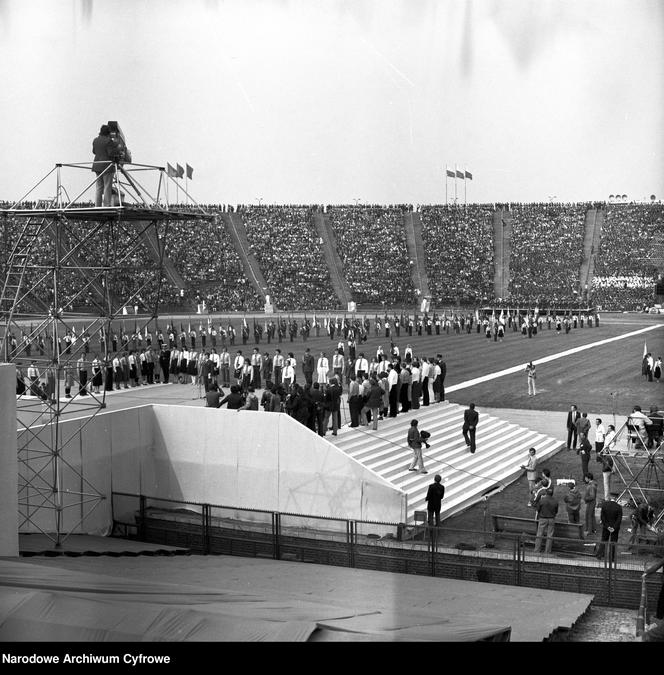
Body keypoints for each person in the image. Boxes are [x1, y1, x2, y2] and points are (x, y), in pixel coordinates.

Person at [92, 124, 115, 207]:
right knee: (107, 186)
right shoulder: (109, 141)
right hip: (107, 166)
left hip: (97, 166)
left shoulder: (95, 140)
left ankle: (97, 205)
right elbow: (111, 153)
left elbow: (94, 151)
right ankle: (106, 205)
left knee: (99, 187)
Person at [596, 491, 623, 562]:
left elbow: (602, 517)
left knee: (604, 540)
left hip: (606, 526)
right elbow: (619, 519)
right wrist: (613, 527)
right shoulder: (619, 507)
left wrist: (607, 526)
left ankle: (600, 555)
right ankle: (611, 558)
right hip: (615, 528)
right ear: (616, 497)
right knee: (613, 542)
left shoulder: (604, 505)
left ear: (611, 497)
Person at [534, 488, 558, 554]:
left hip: (542, 519)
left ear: (546, 493)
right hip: (551, 519)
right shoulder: (555, 501)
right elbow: (556, 511)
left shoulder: (542, 500)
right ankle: (547, 551)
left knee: (539, 534)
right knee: (550, 536)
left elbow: (538, 509)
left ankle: (537, 550)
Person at [582, 472, 598, 536]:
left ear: (589, 478)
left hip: (591, 502)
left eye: (585, 478)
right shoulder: (592, 484)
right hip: (592, 502)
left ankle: (589, 531)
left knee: (589, 516)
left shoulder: (591, 486)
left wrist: (586, 498)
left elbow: (592, 496)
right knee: (591, 515)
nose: (585, 479)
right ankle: (594, 529)